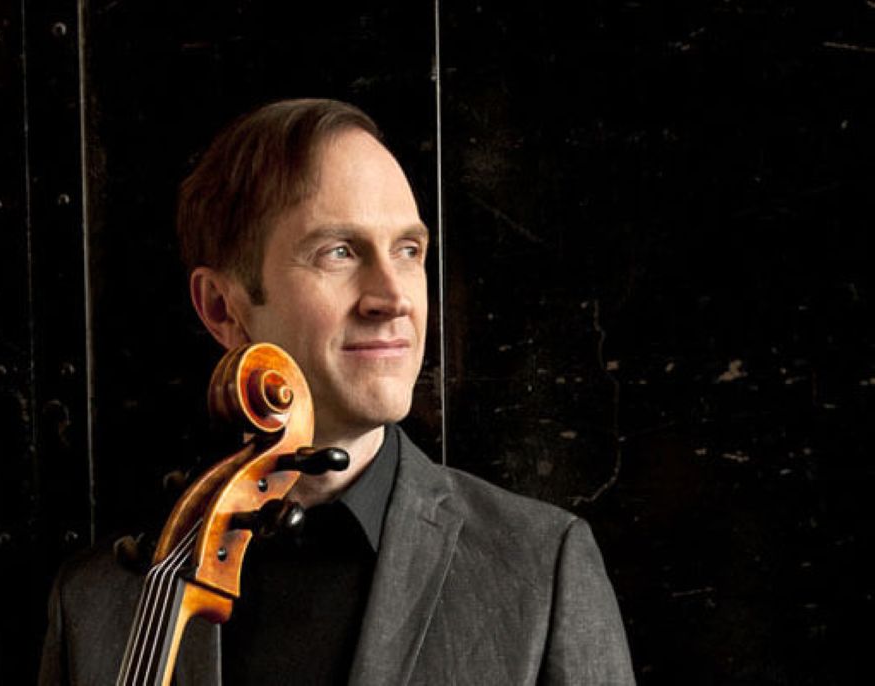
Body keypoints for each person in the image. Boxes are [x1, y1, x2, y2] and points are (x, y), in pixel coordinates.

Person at [39, 98, 635, 685]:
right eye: (339, 252)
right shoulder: (96, 603)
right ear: (222, 307)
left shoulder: (539, 570)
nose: (393, 298)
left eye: (408, 250)